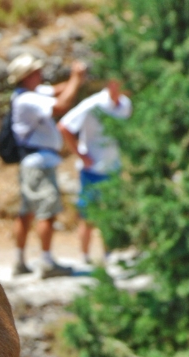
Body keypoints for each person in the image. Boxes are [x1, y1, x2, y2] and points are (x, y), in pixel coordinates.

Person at [7, 53, 87, 278]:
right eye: (36, 72)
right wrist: (76, 79)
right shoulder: (27, 100)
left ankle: (20, 260)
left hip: (32, 163)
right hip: (40, 163)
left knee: (27, 212)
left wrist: (72, 81)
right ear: (27, 76)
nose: (41, 75)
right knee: (47, 210)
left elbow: (56, 90)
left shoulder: (30, 94)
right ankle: (47, 262)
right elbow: (61, 104)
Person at [58, 79, 132, 267]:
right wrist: (81, 154)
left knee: (111, 214)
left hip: (114, 168)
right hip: (92, 170)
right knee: (88, 216)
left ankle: (109, 255)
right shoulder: (93, 104)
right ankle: (85, 256)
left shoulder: (125, 105)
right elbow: (64, 126)